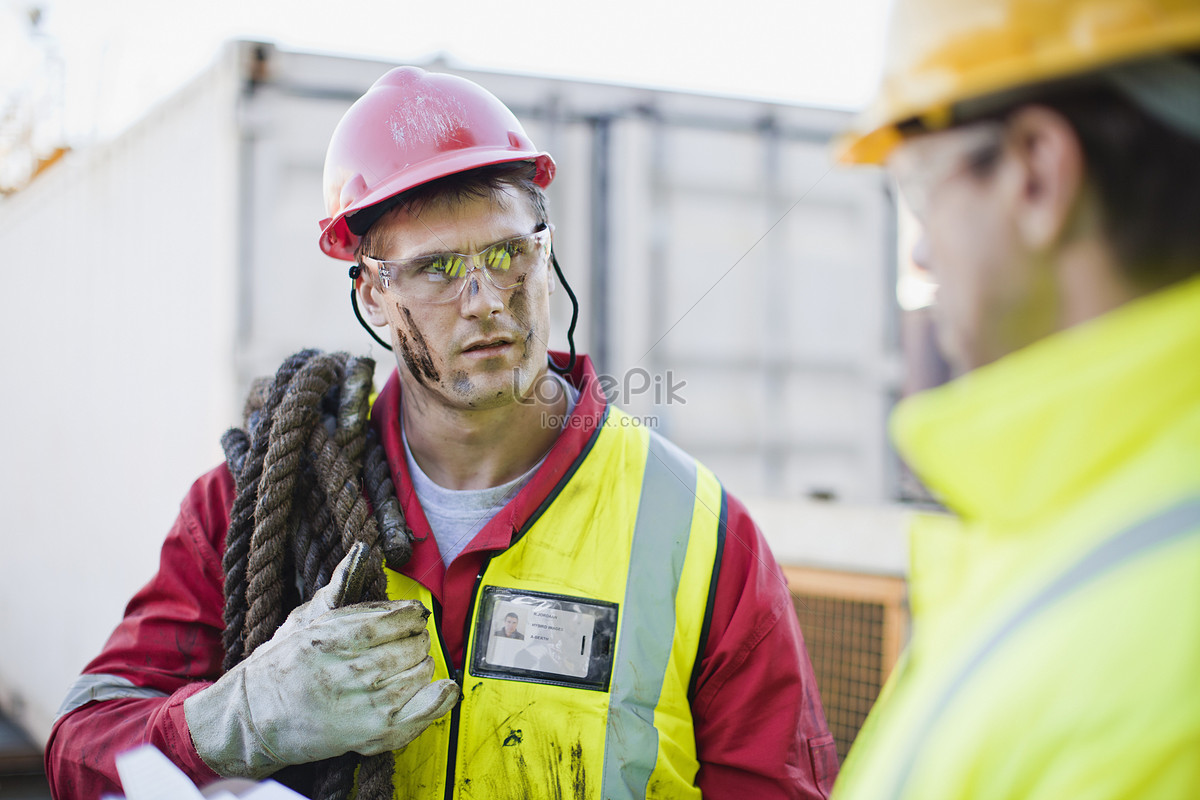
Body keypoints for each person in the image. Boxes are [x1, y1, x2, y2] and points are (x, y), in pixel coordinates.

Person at [46, 66, 838, 799]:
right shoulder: (257, 503)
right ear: (373, 295)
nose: (487, 297)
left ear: (546, 254)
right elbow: (84, 747)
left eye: (508, 253)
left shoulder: (697, 533)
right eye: (437, 269)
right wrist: (238, 720)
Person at [832, 1, 1200, 798]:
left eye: (920, 192)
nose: (923, 250)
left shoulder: (1142, 672)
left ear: (1036, 172)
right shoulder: (1082, 523)